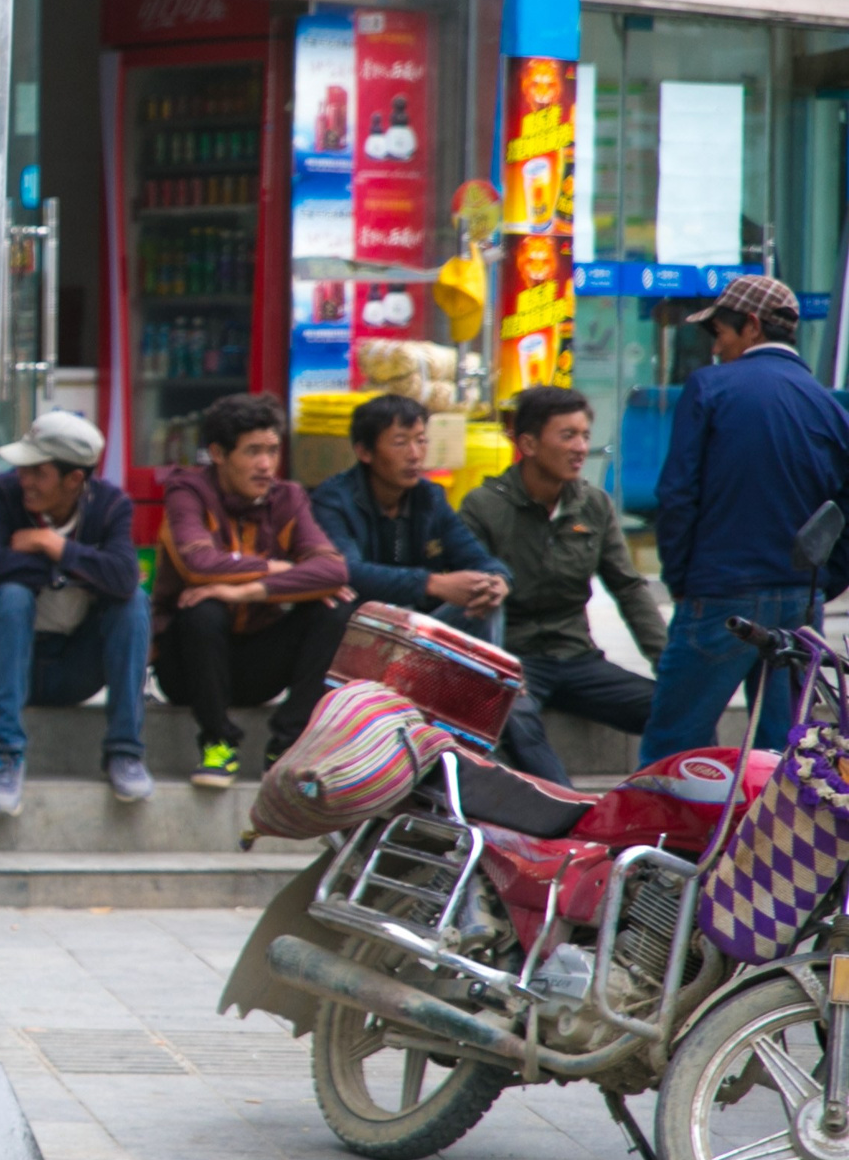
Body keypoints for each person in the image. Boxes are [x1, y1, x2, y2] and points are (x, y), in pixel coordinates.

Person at [643, 277, 849, 761]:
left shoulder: (710, 388)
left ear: (751, 326)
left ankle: (663, 836)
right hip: (800, 603)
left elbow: (677, 496)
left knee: (674, 745)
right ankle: (767, 837)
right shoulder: (828, 408)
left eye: (721, 334)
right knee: (782, 754)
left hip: (720, 592)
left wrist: (680, 578)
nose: (717, 348)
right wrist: (822, 583)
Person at [460, 385, 665, 786]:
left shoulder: (594, 505)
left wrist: (669, 665)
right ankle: (568, 821)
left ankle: (677, 823)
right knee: (513, 717)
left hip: (577, 658)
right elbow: (470, 602)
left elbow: (628, 588)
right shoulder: (483, 506)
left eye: (585, 435)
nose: (580, 447)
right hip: (513, 659)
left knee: (677, 709)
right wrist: (492, 666)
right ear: (528, 444)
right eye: (567, 435)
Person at [152, 392, 353, 789]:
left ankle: (287, 746)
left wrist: (245, 592)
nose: (266, 465)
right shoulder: (187, 492)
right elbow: (199, 564)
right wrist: (277, 569)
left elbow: (333, 570)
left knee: (335, 611)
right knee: (202, 610)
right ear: (218, 454)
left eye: (273, 451)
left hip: (258, 660)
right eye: (252, 452)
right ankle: (216, 743)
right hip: (189, 666)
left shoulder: (288, 497)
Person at [0, 408, 152, 814]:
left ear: (74, 479)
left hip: (77, 668)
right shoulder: (3, 496)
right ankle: (5, 753)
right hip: (10, 668)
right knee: (10, 596)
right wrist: (82, 567)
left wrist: (51, 545)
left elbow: (124, 577)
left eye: (37, 472)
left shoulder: (110, 505)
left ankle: (125, 751)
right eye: (23, 470)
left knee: (133, 604)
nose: (24, 480)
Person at [309, 392, 510, 640]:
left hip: (417, 629)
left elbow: (475, 556)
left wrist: (497, 580)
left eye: (421, 440)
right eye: (400, 442)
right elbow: (347, 572)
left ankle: (488, 680)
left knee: (485, 603)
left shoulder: (429, 497)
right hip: (359, 630)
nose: (415, 454)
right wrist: (431, 583)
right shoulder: (333, 499)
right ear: (364, 452)